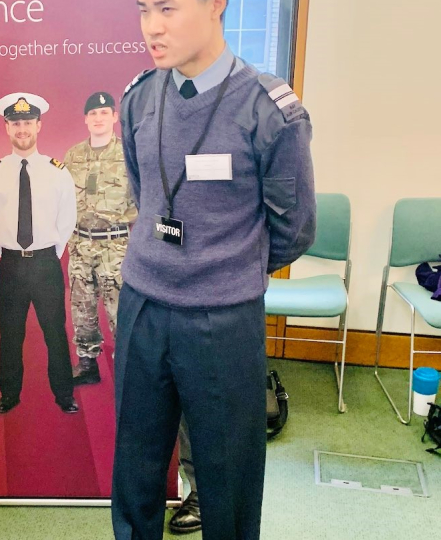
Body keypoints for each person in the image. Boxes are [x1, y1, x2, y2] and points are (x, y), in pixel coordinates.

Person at [112, 1, 316, 539]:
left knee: (229, 479)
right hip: (142, 304)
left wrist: (228, 265)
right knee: (135, 468)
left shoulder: (271, 111)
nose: (151, 26)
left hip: (223, 318)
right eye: (142, 9)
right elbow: (145, 192)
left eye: (167, 8)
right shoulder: (138, 99)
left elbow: (293, 229)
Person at [0, 92, 79, 415]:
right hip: (10, 265)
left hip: (46, 263)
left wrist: (46, 251)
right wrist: (12, 251)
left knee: (55, 332)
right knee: (10, 334)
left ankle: (64, 394)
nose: (22, 129)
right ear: (7, 128)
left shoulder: (57, 171)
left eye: (27, 123)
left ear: (38, 125)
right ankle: (9, 394)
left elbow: (67, 220)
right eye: (15, 123)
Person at [64, 92, 137, 386]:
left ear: (114, 118)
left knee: (119, 309)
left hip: (115, 245)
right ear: (85, 119)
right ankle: (87, 363)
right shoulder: (73, 156)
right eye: (93, 114)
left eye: (104, 113)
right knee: (82, 307)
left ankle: (126, 367)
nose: (98, 118)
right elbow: (62, 198)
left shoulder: (127, 155)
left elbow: (142, 199)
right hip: (81, 243)